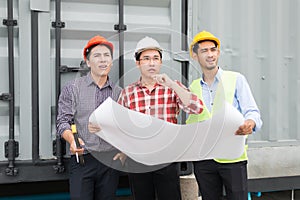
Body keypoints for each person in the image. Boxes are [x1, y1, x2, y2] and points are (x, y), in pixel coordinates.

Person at [117, 36, 204, 200]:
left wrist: (172, 84)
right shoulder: (128, 93)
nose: (151, 63)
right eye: (146, 59)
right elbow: (122, 126)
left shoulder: (172, 87)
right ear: (138, 63)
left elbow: (197, 108)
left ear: (161, 62)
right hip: (138, 159)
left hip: (166, 157)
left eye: (156, 58)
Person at [186, 30, 263, 200]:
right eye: (204, 51)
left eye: (213, 50)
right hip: (204, 158)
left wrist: (250, 123)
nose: (210, 54)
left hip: (232, 157)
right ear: (195, 55)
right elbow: (192, 121)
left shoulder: (236, 79)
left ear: (218, 53)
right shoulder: (193, 87)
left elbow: (252, 111)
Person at [56, 35, 123, 200]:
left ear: (112, 62)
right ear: (87, 62)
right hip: (83, 160)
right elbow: (62, 121)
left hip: (110, 160)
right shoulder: (73, 89)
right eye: (97, 55)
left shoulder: (119, 93)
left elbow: (124, 125)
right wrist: (72, 140)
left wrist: (123, 150)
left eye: (106, 55)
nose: (103, 60)